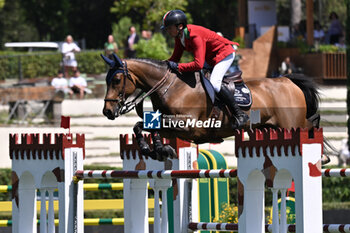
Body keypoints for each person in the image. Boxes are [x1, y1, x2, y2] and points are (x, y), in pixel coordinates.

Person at [161, 9, 248, 128]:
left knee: (215, 83)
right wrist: (162, 66)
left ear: (180, 26)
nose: (167, 31)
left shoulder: (195, 35)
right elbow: (175, 58)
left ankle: (239, 114)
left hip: (224, 54)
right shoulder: (179, 36)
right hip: (210, 57)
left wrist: (178, 66)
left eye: (169, 28)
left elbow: (198, 65)